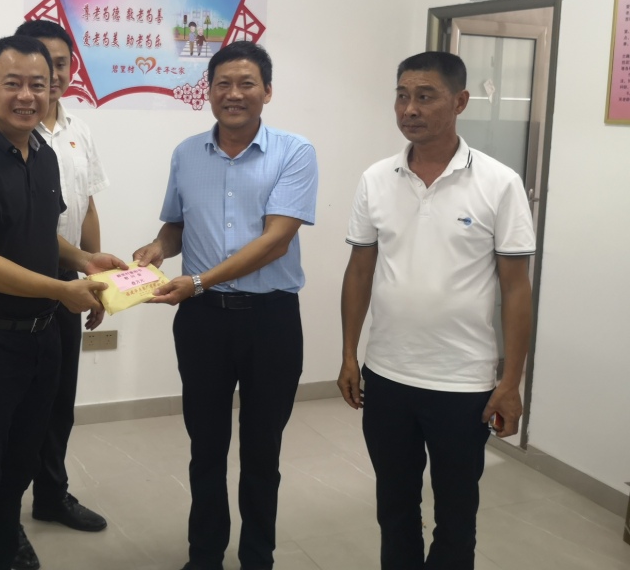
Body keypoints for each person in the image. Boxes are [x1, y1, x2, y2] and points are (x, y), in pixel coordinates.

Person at [0, 35, 125, 570]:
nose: (26, 96)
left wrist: (84, 259)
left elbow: (40, 235)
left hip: (41, 343)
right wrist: (61, 290)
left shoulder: (42, 155)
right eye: (12, 83)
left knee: (17, 473)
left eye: (38, 84)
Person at [337, 51, 535, 570]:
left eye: (425, 96)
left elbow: (516, 289)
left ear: (460, 102)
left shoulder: (499, 183)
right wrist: (350, 355)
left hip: (463, 383)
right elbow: (359, 271)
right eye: (402, 96)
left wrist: (510, 381)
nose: (410, 109)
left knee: (456, 516)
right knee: (394, 508)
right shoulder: (376, 178)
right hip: (388, 376)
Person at [133, 41, 318, 570]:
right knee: (206, 448)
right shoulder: (187, 153)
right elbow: (176, 225)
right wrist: (157, 248)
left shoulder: (295, 152)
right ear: (208, 91)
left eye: (246, 83)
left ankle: (258, 557)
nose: (234, 94)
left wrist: (198, 280)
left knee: (262, 451)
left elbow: (275, 241)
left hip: (271, 320)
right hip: (202, 324)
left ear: (267, 91)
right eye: (223, 84)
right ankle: (205, 556)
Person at [10, 20, 110, 570]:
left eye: (61, 63)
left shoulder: (79, 130)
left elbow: (87, 205)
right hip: (19, 289)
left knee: (58, 404)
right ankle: (4, 517)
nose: (53, 74)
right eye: (43, 62)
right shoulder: (11, 131)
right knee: (15, 412)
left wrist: (98, 280)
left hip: (71, 285)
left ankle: (50, 495)